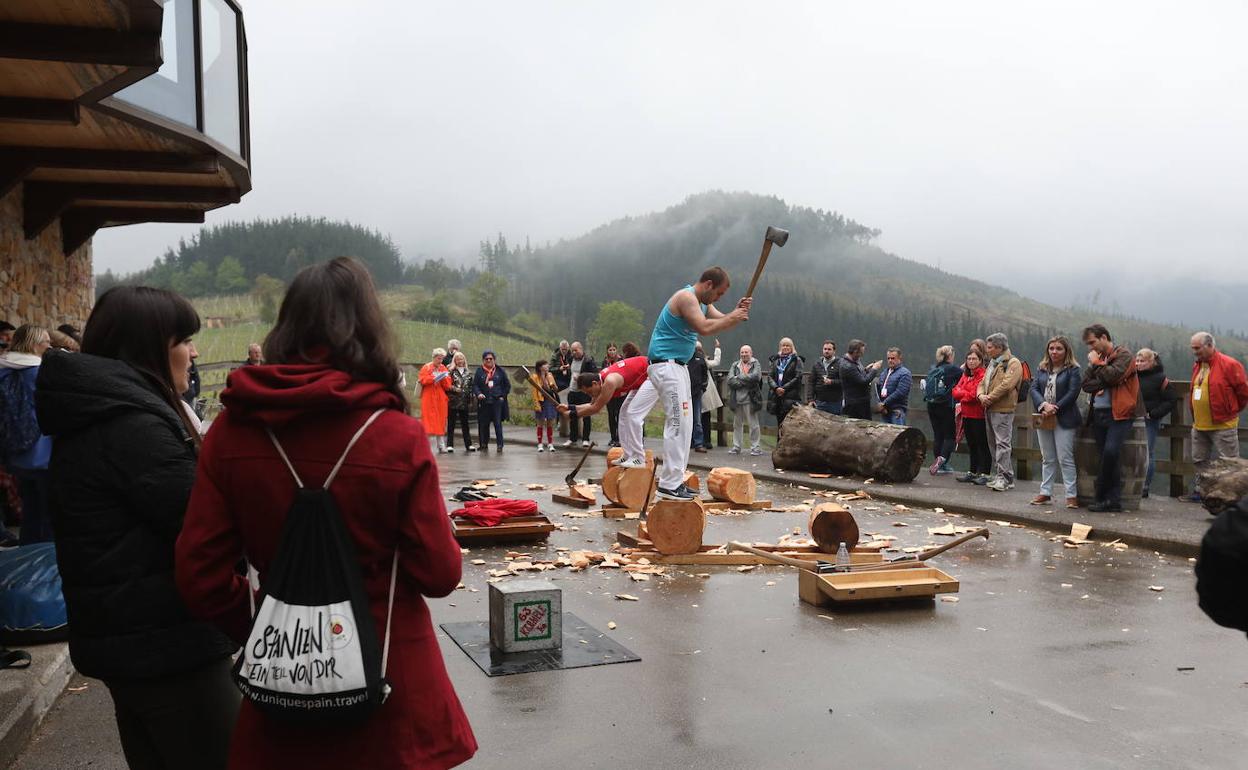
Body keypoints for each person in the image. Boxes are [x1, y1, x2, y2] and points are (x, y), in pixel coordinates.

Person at [173, 257, 477, 769]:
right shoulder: (396, 435)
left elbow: (198, 574)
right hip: (388, 679)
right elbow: (440, 574)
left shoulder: (230, 433)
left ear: (285, 327)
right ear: (369, 328)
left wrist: (267, 621)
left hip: (282, 684)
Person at [35, 287, 239, 769]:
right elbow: (207, 526)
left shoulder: (106, 414)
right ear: (148, 347)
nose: (193, 352)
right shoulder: (133, 428)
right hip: (168, 647)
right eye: (182, 340)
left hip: (135, 641)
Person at [617, 267, 750, 500]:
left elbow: (721, 319)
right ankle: (669, 485)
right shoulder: (686, 298)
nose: (718, 298)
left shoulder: (703, 302)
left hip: (677, 367)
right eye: (718, 293)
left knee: (685, 426)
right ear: (708, 284)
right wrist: (734, 317)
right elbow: (705, 328)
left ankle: (675, 481)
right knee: (678, 425)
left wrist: (737, 312)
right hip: (667, 366)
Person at [1080, 324, 1144, 512]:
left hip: (1120, 413)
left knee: (1110, 452)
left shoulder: (1124, 355)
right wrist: (1104, 375)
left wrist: (1097, 366)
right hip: (1099, 413)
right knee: (1107, 457)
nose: (1091, 347)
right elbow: (1086, 384)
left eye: (1092, 342)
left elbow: (1113, 376)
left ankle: (1101, 495)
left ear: (1104, 337)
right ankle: (1112, 500)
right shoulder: (1100, 358)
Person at [0, 325, 54, 544]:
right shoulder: (39, 372)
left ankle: (28, 549)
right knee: (48, 512)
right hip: (43, 451)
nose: (50, 346)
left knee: (30, 507)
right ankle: (46, 555)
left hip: (14, 451)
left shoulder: (3, 369)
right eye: (46, 342)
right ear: (34, 345)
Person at [1186, 331, 1248, 502]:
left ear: (1209, 346)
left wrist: (1231, 410)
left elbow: (1243, 392)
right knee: (1199, 460)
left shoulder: (1229, 364)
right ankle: (1200, 491)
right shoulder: (1198, 365)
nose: (1194, 352)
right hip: (1199, 424)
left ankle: (1231, 496)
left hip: (1223, 425)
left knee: (1229, 462)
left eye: (1197, 348)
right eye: (1193, 348)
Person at [1030, 336, 1082, 508]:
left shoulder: (1073, 370)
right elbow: (1034, 388)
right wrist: (1043, 405)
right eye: (1051, 348)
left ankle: (1071, 495)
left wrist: (1056, 407)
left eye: (1059, 348)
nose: (1054, 351)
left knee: (1065, 458)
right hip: (1044, 416)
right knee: (1048, 457)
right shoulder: (1042, 368)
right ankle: (1045, 492)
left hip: (1064, 418)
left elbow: (1073, 392)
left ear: (1066, 351)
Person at [978, 332, 1023, 492]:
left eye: (990, 347)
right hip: (989, 408)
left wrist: (989, 397)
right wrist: (981, 395)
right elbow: (982, 382)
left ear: (999, 347)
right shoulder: (992, 363)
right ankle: (1003, 476)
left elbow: (1007, 385)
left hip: (1003, 409)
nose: (987, 350)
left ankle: (1004, 478)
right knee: (993, 443)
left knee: (1002, 443)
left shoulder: (1013, 363)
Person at [559, 355, 651, 430]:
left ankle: (637, 448)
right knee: (624, 416)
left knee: (632, 415)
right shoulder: (600, 380)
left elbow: (596, 408)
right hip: (640, 381)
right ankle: (628, 447)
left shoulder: (609, 382)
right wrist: (570, 407)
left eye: (589, 392)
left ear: (594, 383)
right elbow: (592, 405)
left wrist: (572, 415)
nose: (590, 395)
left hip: (651, 374)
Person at [1136, 348, 1175, 499]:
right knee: (1131, 452)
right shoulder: (1132, 377)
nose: (1138, 364)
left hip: (1149, 421)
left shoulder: (1161, 378)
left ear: (1151, 362)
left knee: (1147, 453)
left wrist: (1154, 414)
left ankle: (1144, 486)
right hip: (1132, 419)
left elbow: (1170, 400)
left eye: (1142, 361)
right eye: (1137, 361)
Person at [952, 347, 991, 484]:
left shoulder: (982, 375)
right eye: (969, 359)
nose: (971, 361)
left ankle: (985, 473)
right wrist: (964, 394)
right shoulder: (965, 375)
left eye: (974, 359)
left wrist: (963, 393)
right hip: (966, 414)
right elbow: (955, 391)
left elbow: (974, 395)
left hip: (978, 415)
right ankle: (972, 471)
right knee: (971, 444)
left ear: (980, 360)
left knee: (982, 444)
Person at [924, 345, 962, 475]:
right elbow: (965, 377)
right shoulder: (953, 369)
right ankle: (942, 461)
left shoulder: (934, 368)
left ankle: (939, 463)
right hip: (946, 406)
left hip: (931, 405)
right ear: (950, 356)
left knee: (938, 435)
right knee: (950, 436)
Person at [725, 344, 765, 455]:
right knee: (737, 425)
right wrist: (746, 380)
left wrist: (739, 377)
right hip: (737, 399)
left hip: (750, 399)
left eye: (746, 352)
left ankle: (755, 448)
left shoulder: (756, 363)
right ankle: (736, 447)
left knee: (753, 425)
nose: (744, 354)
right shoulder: (735, 365)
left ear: (751, 353)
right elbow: (730, 380)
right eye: (742, 352)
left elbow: (756, 377)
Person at [473, 349, 510, 452]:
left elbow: (507, 386)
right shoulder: (479, 371)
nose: (489, 360)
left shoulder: (500, 371)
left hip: (496, 401)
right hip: (484, 401)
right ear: (483, 360)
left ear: (494, 359)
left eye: (491, 358)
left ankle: (500, 445)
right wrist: (478, 393)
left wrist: (502, 396)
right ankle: (483, 444)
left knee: (497, 424)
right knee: (483, 424)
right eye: (486, 359)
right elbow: (475, 385)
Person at [418, 347, 453, 453]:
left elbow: (448, 386)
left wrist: (444, 378)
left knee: (441, 421)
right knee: (427, 421)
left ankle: (441, 446)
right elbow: (422, 380)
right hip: (428, 398)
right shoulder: (426, 367)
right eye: (438, 358)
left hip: (440, 399)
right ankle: (426, 446)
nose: (440, 361)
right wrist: (433, 378)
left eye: (442, 358)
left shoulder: (443, 368)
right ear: (434, 357)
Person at [563, 342, 597, 447]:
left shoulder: (588, 361)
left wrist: (581, 378)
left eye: (576, 350)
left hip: (584, 391)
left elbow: (595, 374)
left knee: (586, 415)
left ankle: (585, 439)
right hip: (572, 390)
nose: (574, 352)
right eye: (572, 350)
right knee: (572, 415)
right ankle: (572, 438)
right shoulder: (570, 359)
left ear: (581, 349)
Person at [840, 340, 882, 419]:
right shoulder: (847, 366)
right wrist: (874, 369)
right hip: (856, 404)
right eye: (861, 353)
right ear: (855, 352)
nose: (861, 355)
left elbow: (857, 376)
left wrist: (866, 370)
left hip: (862, 401)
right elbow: (863, 381)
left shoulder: (854, 361)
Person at [768, 338, 803, 427]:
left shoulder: (797, 360)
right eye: (783, 345)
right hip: (777, 397)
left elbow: (798, 377)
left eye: (788, 345)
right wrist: (776, 388)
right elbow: (770, 376)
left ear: (792, 347)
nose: (785, 347)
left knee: (789, 425)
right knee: (779, 423)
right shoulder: (776, 360)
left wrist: (784, 388)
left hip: (790, 396)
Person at [446, 351, 476, 452]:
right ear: (455, 360)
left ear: (464, 360)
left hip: (464, 401)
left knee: (465, 424)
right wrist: (455, 389)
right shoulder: (451, 372)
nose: (460, 361)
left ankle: (469, 444)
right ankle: (449, 444)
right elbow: (447, 385)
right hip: (453, 401)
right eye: (458, 359)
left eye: (461, 359)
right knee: (451, 424)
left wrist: (471, 400)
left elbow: (471, 387)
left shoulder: (468, 372)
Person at [875, 347, 912, 425]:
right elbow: (878, 389)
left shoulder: (905, 373)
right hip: (885, 411)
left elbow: (901, 392)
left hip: (897, 411)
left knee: (898, 432)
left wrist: (884, 403)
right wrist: (881, 404)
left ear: (899, 359)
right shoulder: (884, 373)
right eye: (888, 358)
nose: (890, 360)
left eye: (893, 358)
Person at [529, 360, 559, 452]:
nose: (547, 366)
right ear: (540, 367)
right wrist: (536, 404)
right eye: (545, 365)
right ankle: (540, 443)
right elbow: (534, 392)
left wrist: (552, 384)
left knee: (550, 422)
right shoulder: (535, 377)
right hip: (540, 400)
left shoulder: (549, 375)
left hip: (550, 400)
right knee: (540, 423)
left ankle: (550, 443)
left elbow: (555, 389)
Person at [698, 339, 723, 450]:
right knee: (705, 418)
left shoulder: (692, 361)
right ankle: (706, 441)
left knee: (699, 418)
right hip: (704, 393)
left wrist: (717, 348)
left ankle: (700, 441)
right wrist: (717, 348)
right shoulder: (704, 361)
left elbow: (716, 362)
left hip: (698, 393)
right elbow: (716, 361)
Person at [808, 340, 843, 415]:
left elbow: (844, 381)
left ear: (834, 351)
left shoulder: (840, 364)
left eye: (829, 349)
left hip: (835, 403)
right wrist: (810, 399)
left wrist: (832, 382)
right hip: (819, 402)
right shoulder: (817, 364)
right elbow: (811, 382)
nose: (826, 351)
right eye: (825, 349)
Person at [688, 341, 710, 452]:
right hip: (684, 392)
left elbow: (705, 374)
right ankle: (687, 442)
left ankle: (698, 443)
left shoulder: (700, 358)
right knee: (684, 418)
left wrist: (703, 387)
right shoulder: (683, 357)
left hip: (697, 392)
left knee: (697, 419)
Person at [602, 343, 624, 446]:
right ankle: (613, 437)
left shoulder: (621, 361)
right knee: (611, 415)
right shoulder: (605, 362)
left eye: (614, 350)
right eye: (610, 350)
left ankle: (619, 438)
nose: (612, 352)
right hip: (609, 392)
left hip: (619, 392)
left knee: (619, 415)